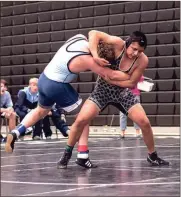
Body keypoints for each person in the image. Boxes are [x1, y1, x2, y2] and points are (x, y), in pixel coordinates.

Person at [57, 30, 169, 169]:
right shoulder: (117, 43)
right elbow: (93, 33)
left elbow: (131, 83)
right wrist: (96, 57)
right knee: (81, 120)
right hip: (102, 91)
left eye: (139, 51)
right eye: (134, 49)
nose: (135, 53)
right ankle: (66, 154)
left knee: (144, 122)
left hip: (123, 94)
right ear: (127, 43)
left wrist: (111, 77)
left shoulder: (143, 60)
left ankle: (152, 156)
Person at [5, 34, 129, 153]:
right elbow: (110, 75)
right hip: (56, 84)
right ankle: (83, 155)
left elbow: (93, 34)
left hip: (43, 79)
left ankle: (16, 132)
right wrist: (133, 76)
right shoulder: (87, 59)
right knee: (83, 116)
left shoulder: (79, 38)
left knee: (40, 111)